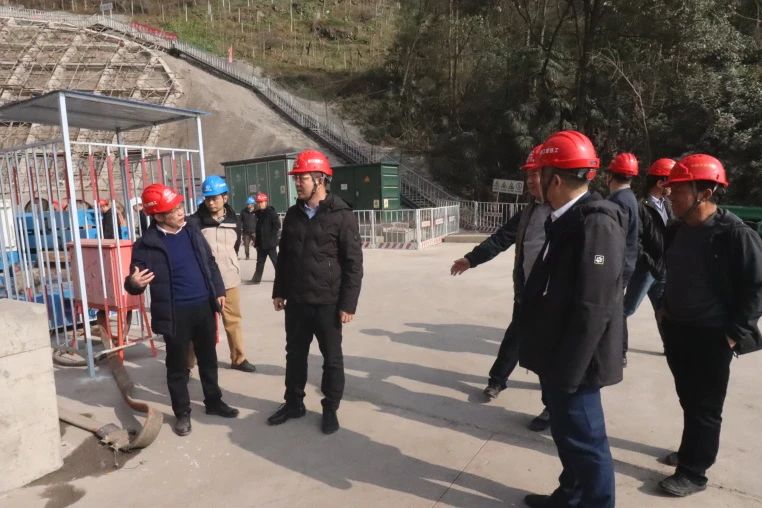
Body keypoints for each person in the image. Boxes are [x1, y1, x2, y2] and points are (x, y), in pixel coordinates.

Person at [518, 130, 626, 508]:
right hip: (559, 354)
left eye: (541, 174)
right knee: (568, 437)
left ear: (556, 180)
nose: (535, 181)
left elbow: (593, 307)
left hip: (577, 363)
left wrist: (568, 373)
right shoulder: (565, 218)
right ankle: (570, 496)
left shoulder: (596, 224)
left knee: (587, 443)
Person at [658, 154, 762, 497]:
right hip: (677, 329)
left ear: (704, 193)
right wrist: (664, 310)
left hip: (712, 335)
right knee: (689, 397)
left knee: (705, 406)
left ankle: (694, 472)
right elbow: (669, 271)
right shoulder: (676, 229)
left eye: (678, 189)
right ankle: (691, 450)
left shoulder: (735, 235)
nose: (670, 195)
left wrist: (734, 334)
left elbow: (756, 288)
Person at [450, 144, 552, 431]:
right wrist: (471, 259)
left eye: (536, 174)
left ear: (552, 175)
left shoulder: (570, 214)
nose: (530, 180)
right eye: (528, 175)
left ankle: (552, 407)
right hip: (527, 292)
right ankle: (497, 380)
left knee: (548, 353)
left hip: (552, 298)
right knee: (515, 337)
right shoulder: (529, 212)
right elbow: (501, 238)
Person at [124, 183, 239, 437]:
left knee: (208, 360)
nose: (180, 212)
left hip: (203, 307)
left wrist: (218, 290)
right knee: (177, 367)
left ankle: (214, 401)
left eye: (180, 206)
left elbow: (210, 262)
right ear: (158, 216)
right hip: (175, 314)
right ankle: (182, 413)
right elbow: (133, 282)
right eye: (174, 210)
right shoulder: (146, 245)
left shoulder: (192, 231)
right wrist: (133, 283)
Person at [267, 149, 363, 435]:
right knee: (294, 355)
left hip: (327, 303)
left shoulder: (342, 216)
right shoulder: (293, 214)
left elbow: (353, 264)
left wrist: (348, 304)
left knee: (331, 358)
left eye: (303, 178)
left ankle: (330, 408)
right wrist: (279, 290)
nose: (297, 183)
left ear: (320, 179)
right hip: (297, 302)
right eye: (296, 178)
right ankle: (293, 403)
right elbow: (285, 256)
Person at [188, 175, 256, 373]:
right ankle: (187, 364)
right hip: (203, 282)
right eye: (207, 198)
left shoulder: (234, 220)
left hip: (229, 279)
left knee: (233, 320)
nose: (210, 202)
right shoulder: (195, 222)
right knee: (198, 325)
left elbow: (234, 247)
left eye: (214, 198)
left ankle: (239, 359)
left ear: (225, 197)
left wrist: (231, 265)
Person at [623, 158, 675, 349]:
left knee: (664, 311)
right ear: (660, 183)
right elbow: (635, 241)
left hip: (663, 269)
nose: (673, 188)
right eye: (671, 182)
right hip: (645, 270)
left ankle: (670, 347)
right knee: (626, 309)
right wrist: (650, 263)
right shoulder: (641, 206)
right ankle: (617, 349)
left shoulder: (668, 204)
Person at [605, 152, 640, 366]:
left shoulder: (618, 201)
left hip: (618, 265)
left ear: (610, 175)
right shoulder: (629, 198)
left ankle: (619, 352)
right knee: (615, 308)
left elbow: (612, 238)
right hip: (626, 263)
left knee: (612, 310)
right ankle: (620, 351)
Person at [251, 192, 281, 284]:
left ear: (265, 202)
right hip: (261, 244)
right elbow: (258, 229)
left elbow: (277, 225)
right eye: (258, 202)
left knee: (276, 262)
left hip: (270, 244)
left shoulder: (271, 212)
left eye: (261, 202)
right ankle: (257, 279)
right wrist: (256, 243)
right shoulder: (258, 214)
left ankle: (281, 278)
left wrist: (272, 238)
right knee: (260, 262)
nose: (260, 204)